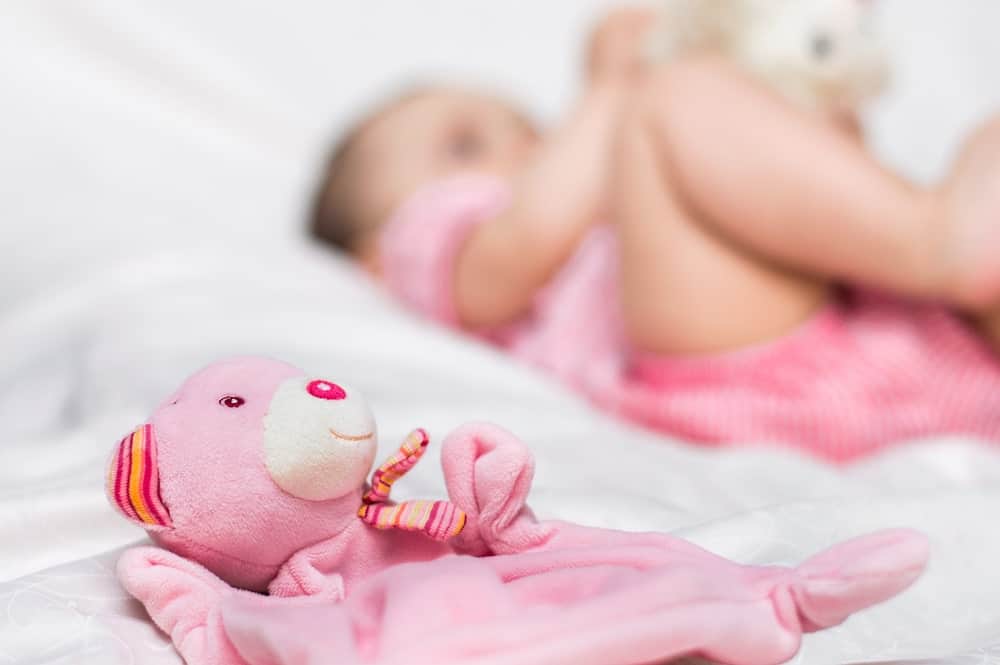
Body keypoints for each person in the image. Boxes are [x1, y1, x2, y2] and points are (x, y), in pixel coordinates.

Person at [309, 8, 1000, 462]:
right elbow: (525, 239)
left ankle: (940, 248)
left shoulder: (610, 197)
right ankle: (933, 238)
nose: (525, 140)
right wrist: (614, 83)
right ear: (376, 257)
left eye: (525, 122)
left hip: (899, 337)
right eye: (464, 144)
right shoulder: (426, 245)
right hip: (730, 365)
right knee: (674, 99)